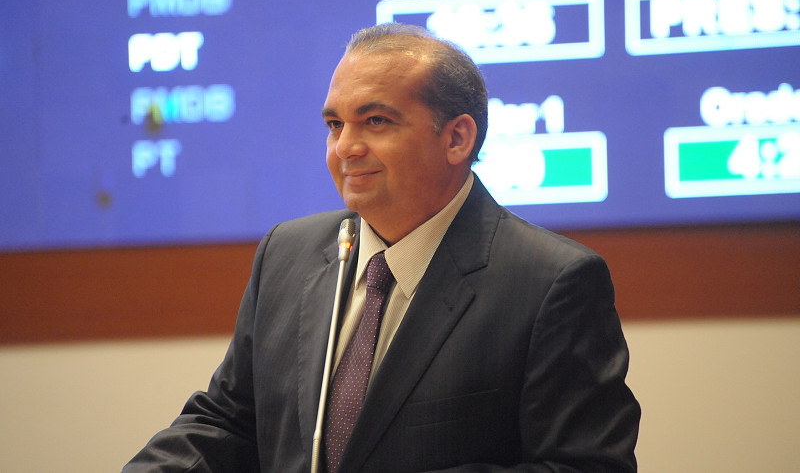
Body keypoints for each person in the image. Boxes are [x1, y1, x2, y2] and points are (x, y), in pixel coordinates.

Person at [123, 23, 640, 472]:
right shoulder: (287, 254)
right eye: (335, 125)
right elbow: (231, 423)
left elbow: (582, 467)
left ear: (457, 139)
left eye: (375, 121)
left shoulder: (552, 284)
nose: (345, 147)